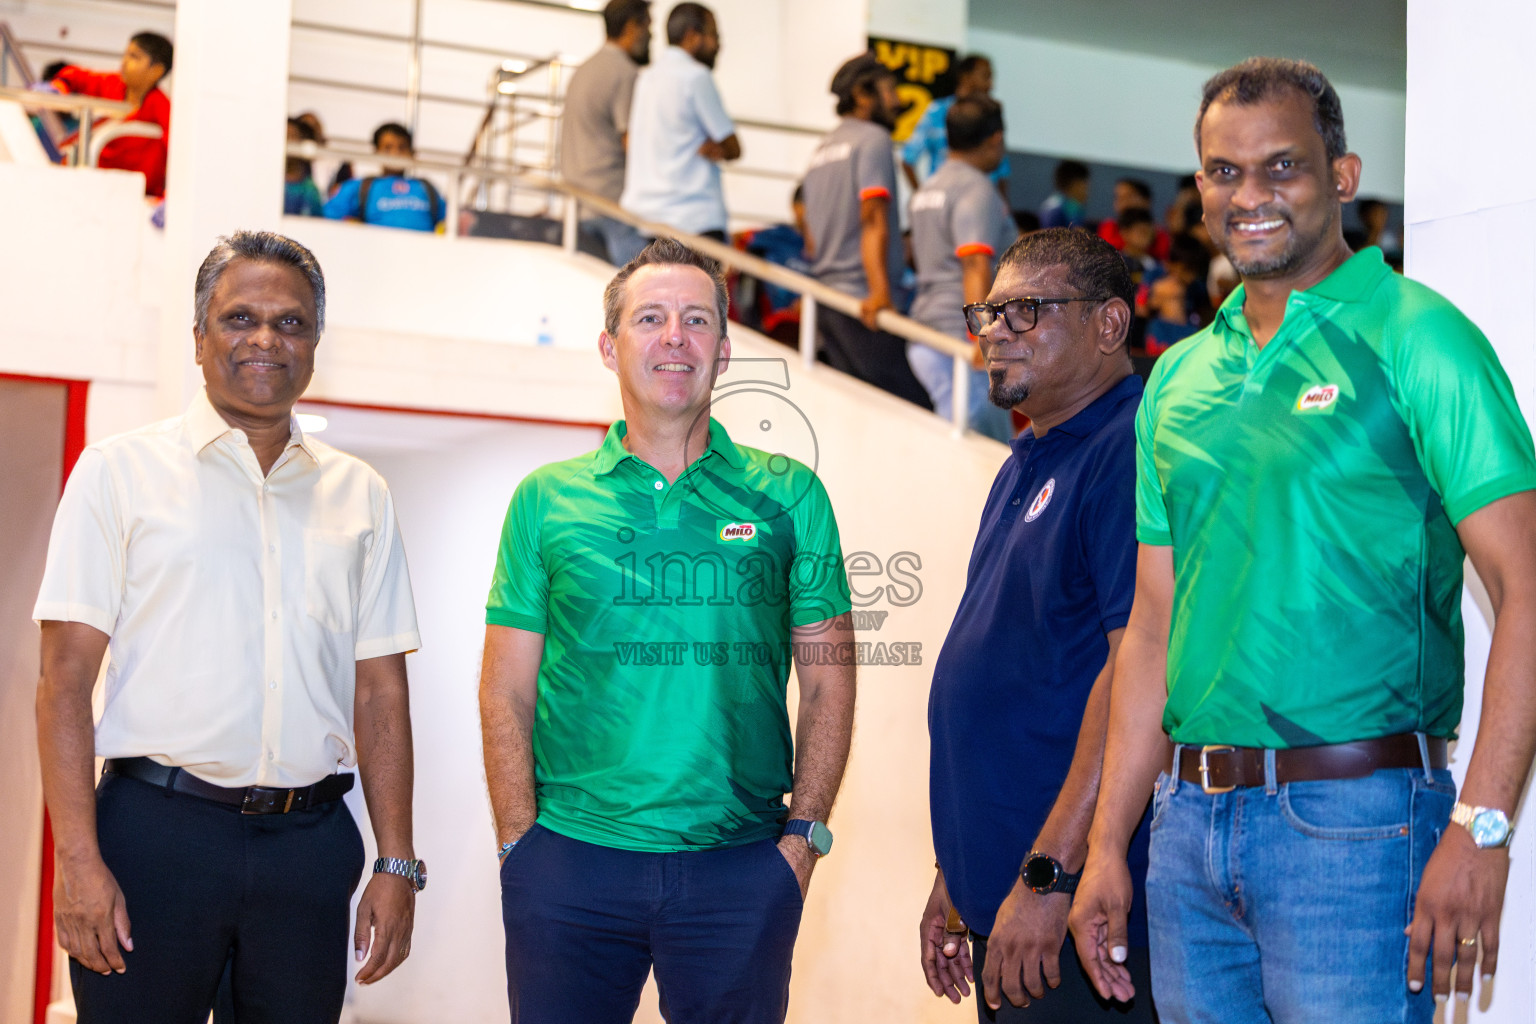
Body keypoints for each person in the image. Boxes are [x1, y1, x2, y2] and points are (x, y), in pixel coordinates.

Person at [1068, 57, 1536, 1024]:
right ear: (1199, 184)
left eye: (1281, 167)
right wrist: (1110, 841)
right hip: (1186, 830)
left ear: (1344, 175)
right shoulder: (1178, 377)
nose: (1251, 196)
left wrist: (1483, 830)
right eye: (1224, 172)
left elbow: (1527, 586)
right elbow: (1154, 628)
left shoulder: (1421, 339)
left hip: (1356, 828)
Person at [34, 230, 423, 1024]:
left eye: (290, 322)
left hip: (309, 847)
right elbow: (63, 681)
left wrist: (397, 861)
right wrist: (76, 859)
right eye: (240, 317)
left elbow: (381, 693)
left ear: (315, 340)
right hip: (154, 838)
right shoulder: (118, 473)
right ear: (200, 336)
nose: (264, 340)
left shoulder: (361, 493)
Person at [481, 237, 856, 1024]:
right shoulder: (545, 501)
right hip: (569, 867)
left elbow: (828, 678)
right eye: (650, 318)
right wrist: (520, 845)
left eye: (696, 320)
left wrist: (802, 843)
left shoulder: (792, 494)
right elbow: (505, 686)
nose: (674, 337)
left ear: (724, 351)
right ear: (609, 346)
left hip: (741, 868)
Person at [922, 228, 1156, 1024]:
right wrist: (956, 874)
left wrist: (1050, 875)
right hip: (1006, 895)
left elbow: (1135, 670)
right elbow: (1002, 675)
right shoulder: (1025, 460)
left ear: (1108, 326)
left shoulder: (1128, 448)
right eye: (988, 313)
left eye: (1024, 311)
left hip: (1066, 905)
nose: (992, 332)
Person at [801, 52, 932, 409]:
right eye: (889, 90)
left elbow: (811, 234)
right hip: (863, 304)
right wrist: (880, 295)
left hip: (827, 303)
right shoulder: (872, 139)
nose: (897, 102)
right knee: (919, 412)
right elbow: (872, 217)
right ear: (863, 94)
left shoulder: (819, 152)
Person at [907, 96, 1016, 440]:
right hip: (960, 343)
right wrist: (982, 339)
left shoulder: (928, 188)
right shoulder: (976, 189)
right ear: (996, 139)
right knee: (988, 456)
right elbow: (974, 265)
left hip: (924, 332)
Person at [620, 3, 739, 242]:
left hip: (650, 223)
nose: (718, 45)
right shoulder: (696, 76)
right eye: (713, 35)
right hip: (695, 222)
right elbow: (734, 148)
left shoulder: (646, 79)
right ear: (692, 36)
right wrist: (720, 147)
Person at [562, 0, 652, 265]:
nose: (652, 36)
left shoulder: (582, 71)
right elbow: (632, 144)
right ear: (632, 27)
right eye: (648, 26)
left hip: (578, 205)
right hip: (614, 206)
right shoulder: (625, 73)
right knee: (636, 298)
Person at [50, 31, 172, 197]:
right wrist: (59, 85)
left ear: (156, 71)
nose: (124, 62)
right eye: (126, 55)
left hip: (137, 194)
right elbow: (77, 76)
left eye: (134, 57)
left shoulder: (162, 107)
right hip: (95, 182)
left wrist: (167, 198)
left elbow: (178, 156)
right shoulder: (114, 85)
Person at [901, 55, 1011, 193]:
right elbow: (907, 159)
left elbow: (1002, 171)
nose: (991, 85)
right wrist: (922, 197)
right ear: (965, 77)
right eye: (985, 77)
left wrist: (1002, 208)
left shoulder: (991, 115)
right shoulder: (938, 111)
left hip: (982, 201)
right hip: (945, 200)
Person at [323, 123, 444, 232]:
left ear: (412, 153)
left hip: (425, 253)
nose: (395, 153)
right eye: (388, 148)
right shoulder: (362, 186)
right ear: (376, 152)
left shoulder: (426, 187)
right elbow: (324, 216)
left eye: (402, 147)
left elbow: (450, 220)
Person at [1097, 179, 1170, 261]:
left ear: (1146, 201)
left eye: (1128, 197)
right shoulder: (1109, 227)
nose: (1121, 202)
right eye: (1117, 197)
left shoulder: (1160, 235)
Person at [284, 117, 325, 217]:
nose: (287, 141)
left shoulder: (309, 190)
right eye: (284, 136)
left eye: (292, 136)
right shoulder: (266, 181)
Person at [1037, 161, 1088, 230]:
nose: (1087, 193)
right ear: (1075, 184)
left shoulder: (1047, 205)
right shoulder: (1071, 209)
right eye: (1085, 187)